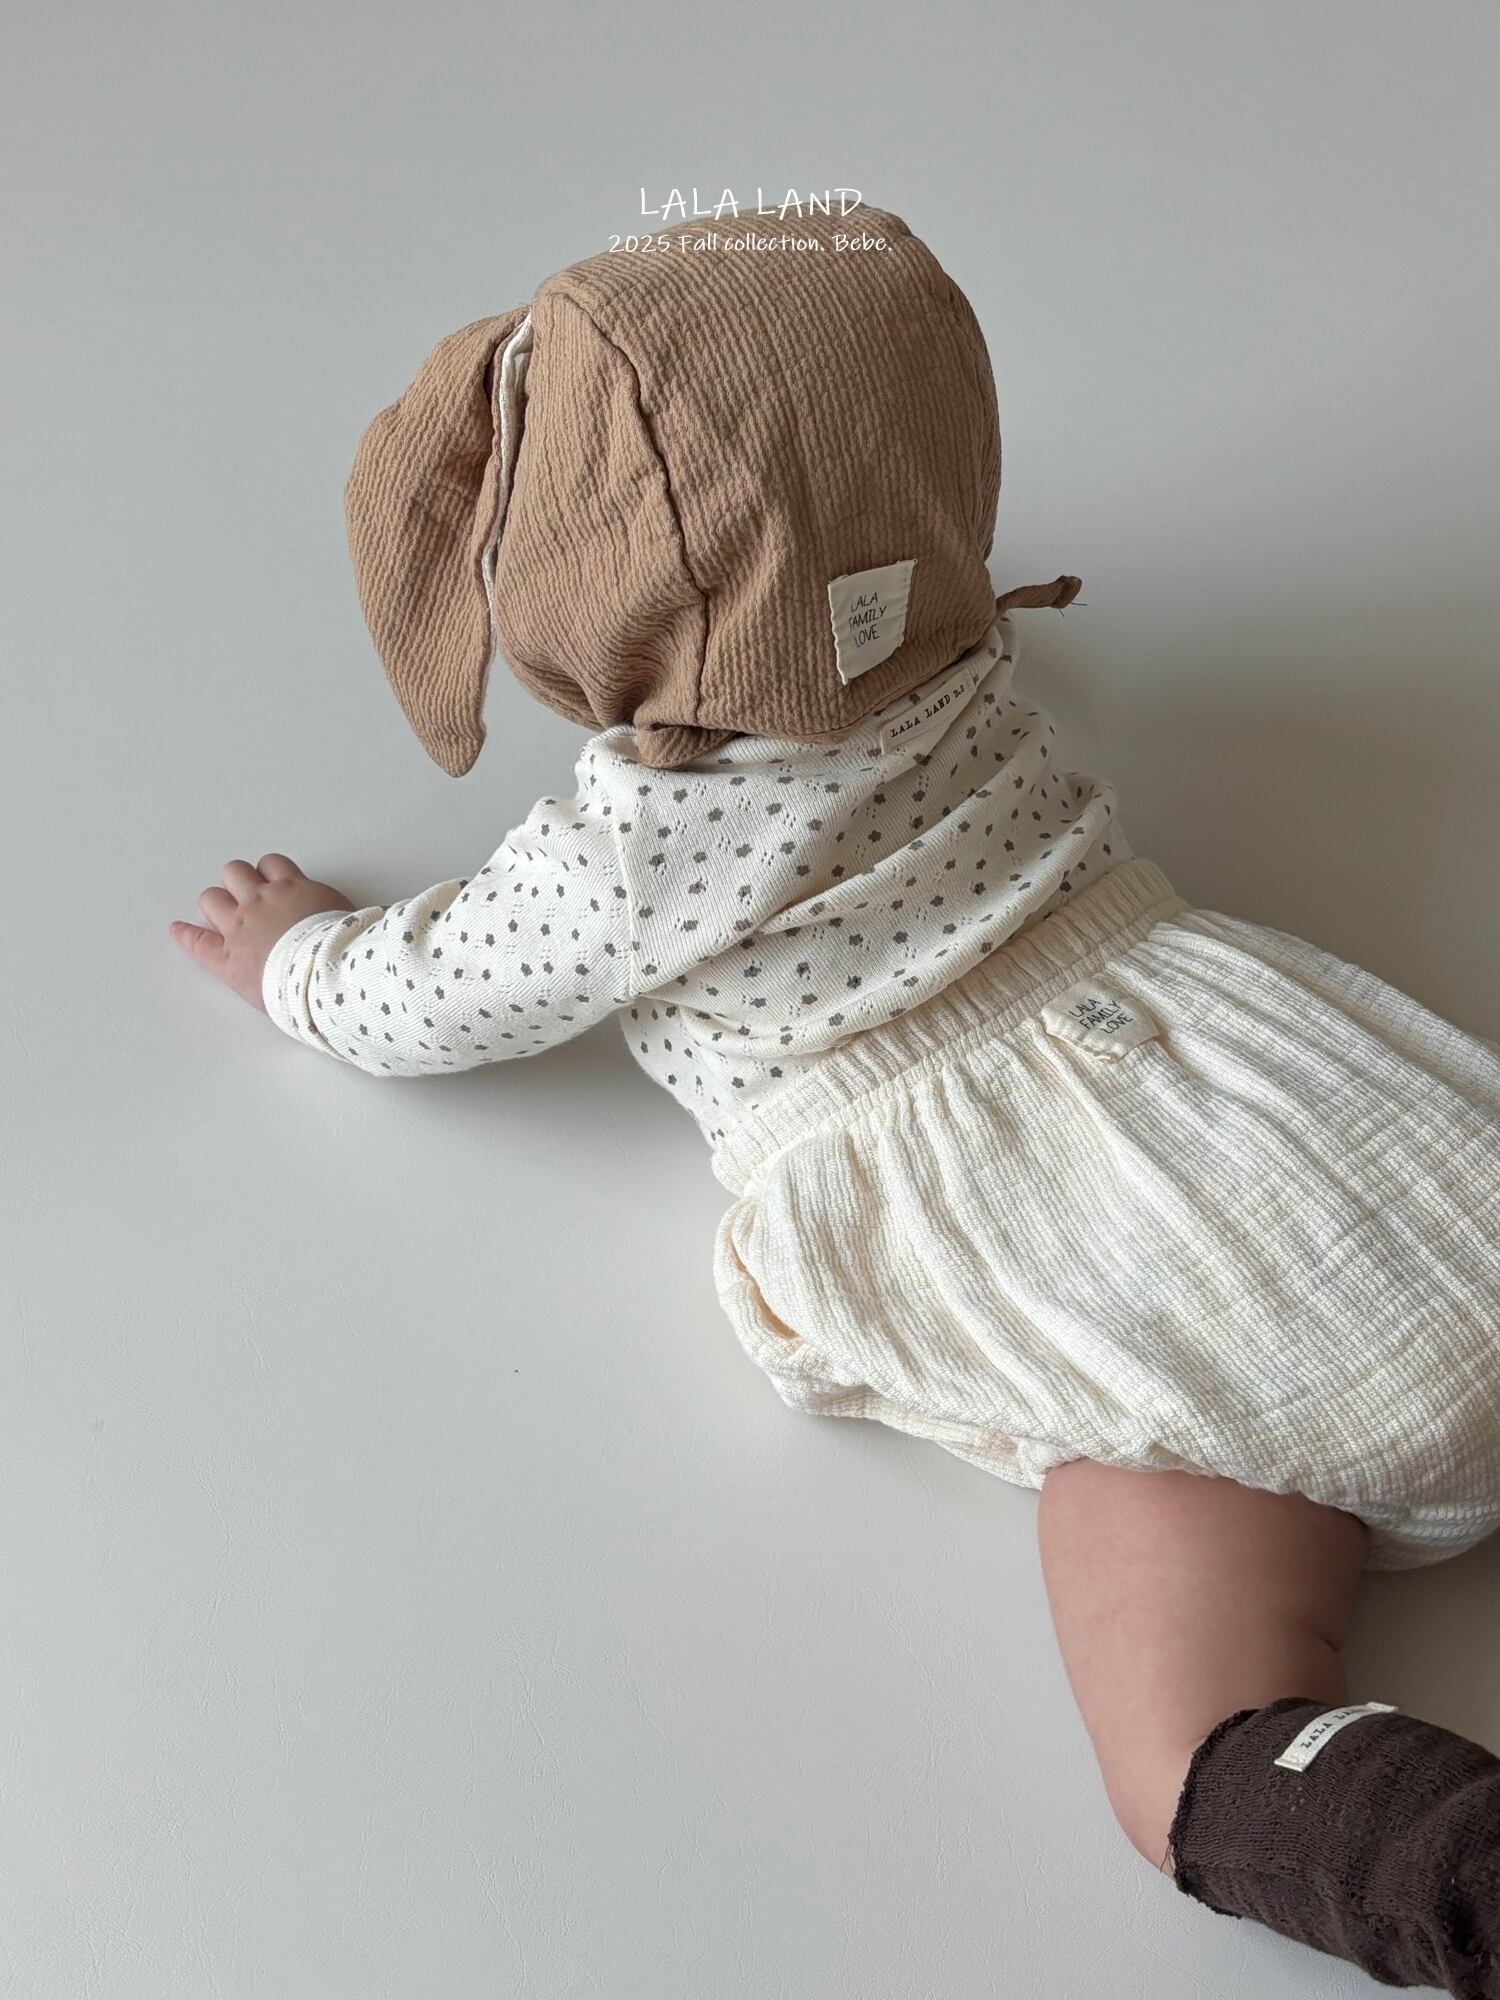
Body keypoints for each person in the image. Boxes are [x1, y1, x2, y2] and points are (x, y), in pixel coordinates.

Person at [169, 202, 1500, 1993]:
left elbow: (436, 998)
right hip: (1306, 1113)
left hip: (1096, 1270)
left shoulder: (634, 850)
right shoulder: (967, 664)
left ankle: (1448, 1864)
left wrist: (301, 962)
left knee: (1193, 1735)